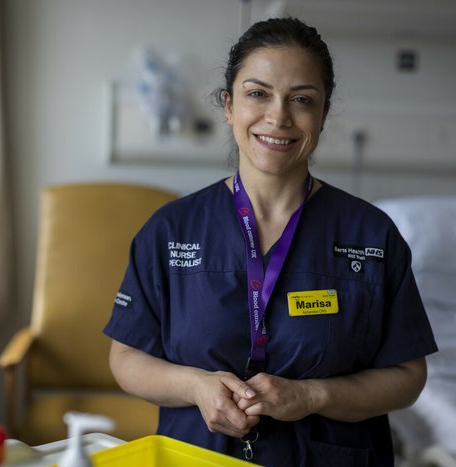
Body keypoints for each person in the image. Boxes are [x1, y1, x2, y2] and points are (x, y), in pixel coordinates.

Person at [104, 17, 437, 467]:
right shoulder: (170, 231)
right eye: (257, 93)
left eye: (301, 100)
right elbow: (126, 357)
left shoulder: (373, 236)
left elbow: (408, 376)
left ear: (322, 113)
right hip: (198, 455)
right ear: (228, 105)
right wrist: (195, 387)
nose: (278, 117)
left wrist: (313, 394)